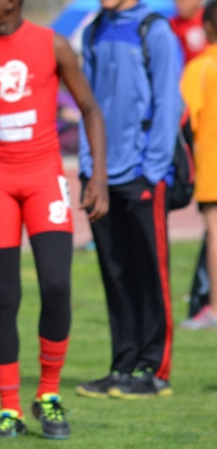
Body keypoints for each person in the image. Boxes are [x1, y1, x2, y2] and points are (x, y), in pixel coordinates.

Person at [0, 0, 109, 438]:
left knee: (56, 284)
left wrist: (98, 177)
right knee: (3, 296)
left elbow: (89, 109)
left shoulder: (53, 46)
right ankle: (8, 407)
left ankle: (48, 395)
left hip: (45, 179)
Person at [75, 0, 182, 399]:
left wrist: (152, 170)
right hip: (101, 176)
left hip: (142, 175)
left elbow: (168, 103)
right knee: (115, 273)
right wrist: (89, 167)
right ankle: (122, 366)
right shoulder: (94, 30)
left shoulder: (154, 29)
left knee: (151, 273)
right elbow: (87, 107)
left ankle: (154, 369)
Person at [180, 0, 217, 329]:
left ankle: (214, 308)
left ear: (206, 27)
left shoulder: (201, 67)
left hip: (212, 165)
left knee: (214, 234)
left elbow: (184, 118)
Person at [173, 0, 207, 65]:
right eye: (177, 1)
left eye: (184, 1)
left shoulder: (210, 19)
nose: (180, 5)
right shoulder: (171, 25)